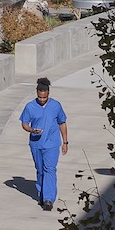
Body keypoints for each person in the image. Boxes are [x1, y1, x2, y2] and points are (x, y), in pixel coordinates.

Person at [21, 76, 70, 212]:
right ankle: (41, 195)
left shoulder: (56, 105)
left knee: (50, 169)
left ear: (48, 94)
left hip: (52, 144)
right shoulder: (30, 106)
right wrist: (31, 130)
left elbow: (62, 122)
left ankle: (49, 199)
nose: (42, 100)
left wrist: (65, 142)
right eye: (40, 97)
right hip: (36, 144)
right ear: (37, 94)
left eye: (44, 97)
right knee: (40, 170)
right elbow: (24, 123)